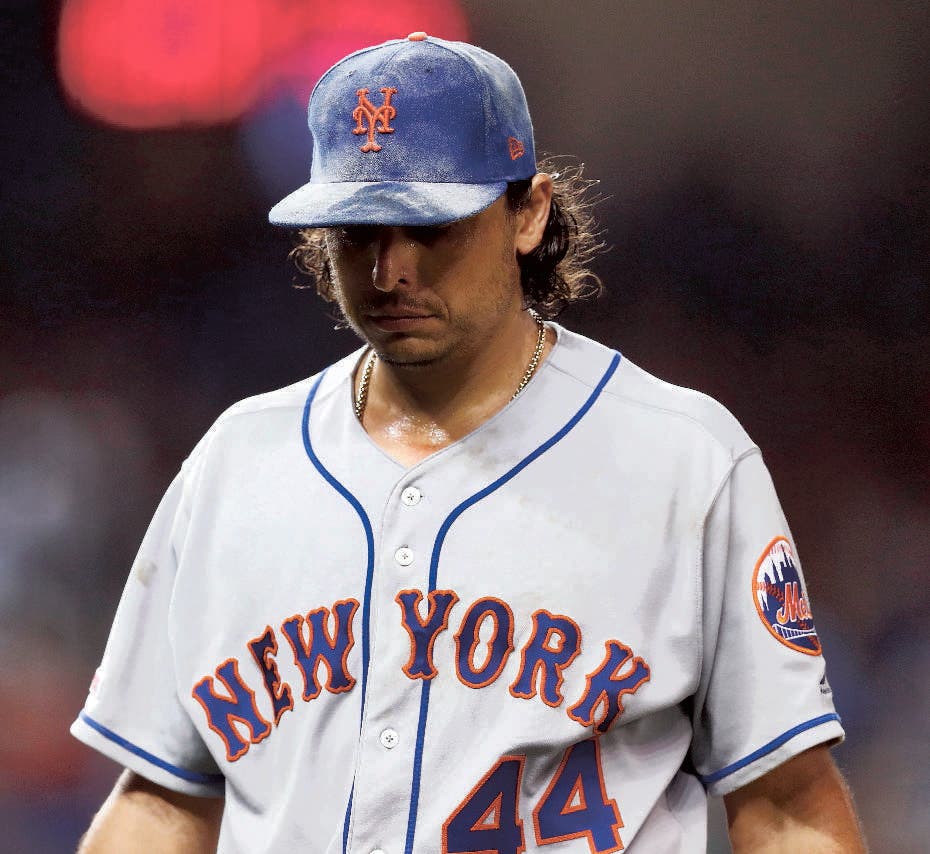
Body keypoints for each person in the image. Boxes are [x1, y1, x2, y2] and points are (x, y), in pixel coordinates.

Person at [72, 33, 866, 853]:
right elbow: (162, 802)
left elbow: (785, 809)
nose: (389, 272)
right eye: (357, 232)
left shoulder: (683, 460)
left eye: (432, 229)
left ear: (529, 213)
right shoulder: (237, 464)